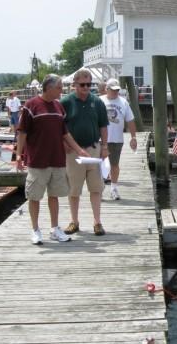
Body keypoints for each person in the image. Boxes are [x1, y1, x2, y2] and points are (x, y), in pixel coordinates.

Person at [16, 74, 90, 245]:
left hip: (57, 159)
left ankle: (55, 229)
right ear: (49, 88)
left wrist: (79, 150)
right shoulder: (30, 106)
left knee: (54, 195)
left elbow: (65, 133)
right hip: (37, 160)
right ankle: (35, 230)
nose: (61, 90)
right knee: (34, 197)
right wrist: (19, 155)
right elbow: (22, 133)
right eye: (59, 87)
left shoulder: (58, 106)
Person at [61, 68, 109, 236]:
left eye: (89, 84)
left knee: (96, 188)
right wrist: (63, 143)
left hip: (93, 149)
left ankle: (97, 222)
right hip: (73, 152)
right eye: (82, 84)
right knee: (73, 189)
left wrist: (104, 146)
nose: (86, 87)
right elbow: (59, 126)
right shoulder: (66, 102)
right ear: (75, 84)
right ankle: (74, 221)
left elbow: (103, 125)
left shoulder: (97, 102)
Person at [99, 78, 137, 200]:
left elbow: (130, 120)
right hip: (100, 139)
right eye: (113, 90)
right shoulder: (99, 101)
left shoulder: (123, 102)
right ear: (107, 89)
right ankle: (99, 189)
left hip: (117, 139)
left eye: (117, 90)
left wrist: (133, 137)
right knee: (100, 165)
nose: (116, 92)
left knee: (114, 164)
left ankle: (114, 188)